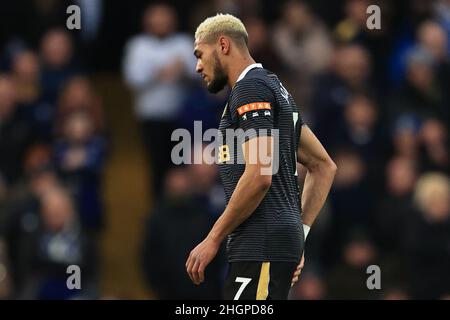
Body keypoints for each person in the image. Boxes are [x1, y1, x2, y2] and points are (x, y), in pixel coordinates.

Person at [186, 14, 336, 300]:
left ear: (223, 45)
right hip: (271, 244)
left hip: (261, 244)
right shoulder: (275, 88)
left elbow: (259, 175)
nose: (197, 66)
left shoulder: (250, 89)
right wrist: (297, 235)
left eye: (200, 54)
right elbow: (323, 165)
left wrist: (213, 238)